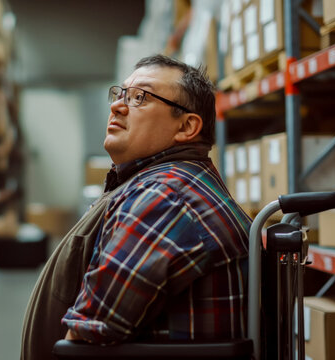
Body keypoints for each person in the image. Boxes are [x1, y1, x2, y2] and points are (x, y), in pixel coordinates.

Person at [21, 54, 251, 360]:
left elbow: (85, 341)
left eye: (140, 97)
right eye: (120, 94)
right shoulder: (174, 184)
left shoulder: (164, 197)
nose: (117, 106)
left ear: (186, 126)